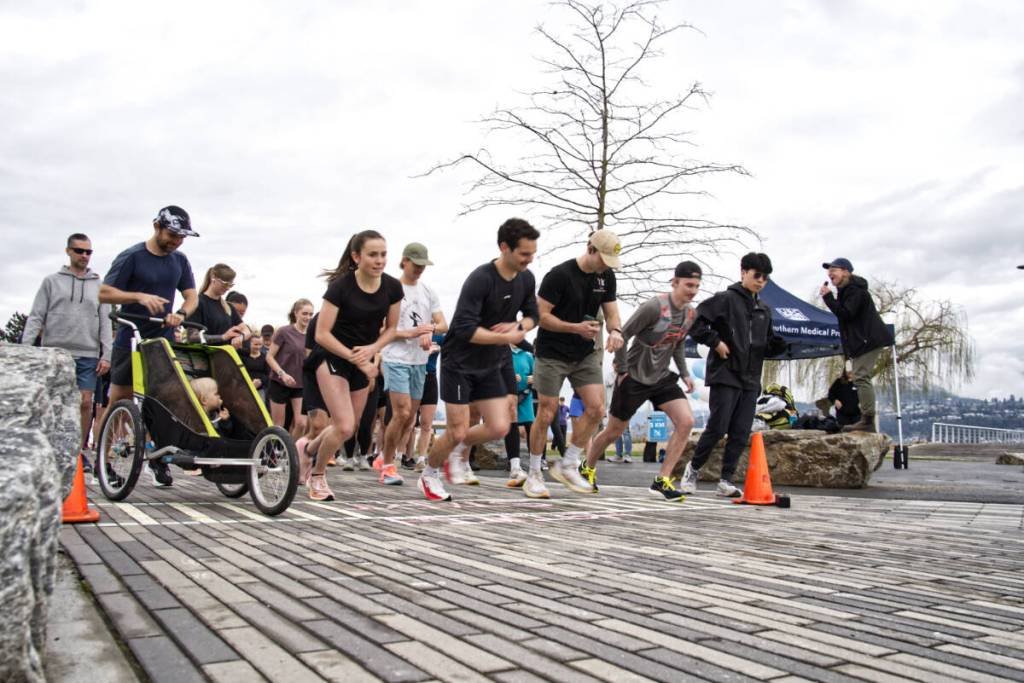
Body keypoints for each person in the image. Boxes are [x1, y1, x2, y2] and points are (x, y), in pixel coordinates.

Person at [418, 218, 539, 502]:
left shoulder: (526, 278)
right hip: (459, 362)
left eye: (533, 253)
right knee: (457, 428)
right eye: (524, 253)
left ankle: (458, 449)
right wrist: (504, 337)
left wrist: (518, 329)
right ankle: (429, 475)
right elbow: (465, 329)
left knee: (500, 426)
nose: (529, 259)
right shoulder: (481, 279)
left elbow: (534, 313)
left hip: (491, 362)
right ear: (504, 248)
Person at [583, 261, 703, 500]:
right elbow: (622, 334)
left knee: (686, 421)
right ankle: (586, 468)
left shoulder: (691, 314)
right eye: (689, 285)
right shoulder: (654, 307)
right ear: (675, 282)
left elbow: (677, 345)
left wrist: (685, 373)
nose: (692, 290)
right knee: (613, 431)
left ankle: (662, 480)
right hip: (634, 377)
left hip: (662, 378)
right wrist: (623, 369)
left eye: (697, 286)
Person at [99, 206, 199, 488]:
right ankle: (104, 458)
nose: (176, 242)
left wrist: (180, 314)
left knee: (162, 402)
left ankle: (159, 457)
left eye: (181, 237)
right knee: (120, 399)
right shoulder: (132, 256)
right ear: (157, 227)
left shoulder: (180, 260)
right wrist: (138, 297)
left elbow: (192, 296)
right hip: (130, 336)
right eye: (172, 235)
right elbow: (105, 293)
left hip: (161, 341)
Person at [524, 230, 624, 497]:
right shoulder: (560, 275)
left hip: (585, 353)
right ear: (590, 249)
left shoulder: (606, 277)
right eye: (603, 259)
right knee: (546, 412)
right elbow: (540, 317)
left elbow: (612, 312)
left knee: (596, 408)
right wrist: (574, 328)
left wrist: (616, 331)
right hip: (552, 352)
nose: (605, 267)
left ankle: (568, 464)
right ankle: (533, 473)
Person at [682, 253, 787, 497]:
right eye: (756, 275)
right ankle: (693, 469)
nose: (761, 281)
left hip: (751, 378)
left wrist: (776, 346)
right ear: (743, 273)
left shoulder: (764, 310)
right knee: (718, 427)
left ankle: (725, 480)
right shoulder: (725, 299)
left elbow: (765, 344)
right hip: (726, 373)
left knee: (740, 431)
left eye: (765, 278)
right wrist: (715, 342)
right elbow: (695, 323)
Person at [308, 230, 403, 501]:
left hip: (363, 361)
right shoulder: (340, 287)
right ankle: (316, 476)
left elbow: (392, 328)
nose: (379, 260)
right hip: (333, 356)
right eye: (373, 254)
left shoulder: (392, 287)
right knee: (346, 426)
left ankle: (306, 449)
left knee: (346, 423)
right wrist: (355, 358)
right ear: (356, 256)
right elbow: (321, 334)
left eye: (383, 254)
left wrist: (373, 350)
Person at [23, 233, 114, 467]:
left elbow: (106, 321)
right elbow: (36, 316)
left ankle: (75, 450)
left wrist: (107, 354)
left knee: (85, 403)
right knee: (53, 402)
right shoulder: (51, 282)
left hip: (88, 353)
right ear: (68, 252)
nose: (84, 255)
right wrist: (26, 349)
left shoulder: (99, 285)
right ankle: (50, 448)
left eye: (88, 252)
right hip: (55, 352)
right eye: (79, 251)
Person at [378, 243, 447, 486]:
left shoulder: (428, 291)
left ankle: (384, 457)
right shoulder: (390, 289)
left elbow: (443, 323)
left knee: (410, 419)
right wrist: (410, 333)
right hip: (395, 357)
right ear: (404, 261)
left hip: (420, 361)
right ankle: (387, 464)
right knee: (402, 412)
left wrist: (429, 331)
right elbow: (381, 329)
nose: (419, 270)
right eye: (416, 265)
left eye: (423, 266)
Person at [819, 257, 893, 432]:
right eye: (828, 271)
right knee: (860, 376)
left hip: (869, 340)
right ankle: (867, 420)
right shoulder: (846, 291)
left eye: (834, 270)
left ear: (846, 271)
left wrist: (828, 298)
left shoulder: (855, 291)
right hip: (861, 342)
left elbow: (846, 314)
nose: (830, 273)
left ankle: (867, 420)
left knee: (860, 376)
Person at [265, 299, 313, 440]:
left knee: (301, 423)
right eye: (305, 313)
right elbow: (269, 356)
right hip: (280, 382)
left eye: (311, 314)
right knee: (279, 425)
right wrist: (282, 374)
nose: (308, 317)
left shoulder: (312, 335)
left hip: (300, 384)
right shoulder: (284, 332)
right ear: (296, 313)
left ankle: (290, 452)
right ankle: (276, 450)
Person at [186, 264, 251, 347]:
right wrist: (223, 337)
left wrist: (241, 337)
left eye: (230, 285)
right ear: (213, 278)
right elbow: (192, 337)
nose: (227, 288)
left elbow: (247, 330)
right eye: (224, 284)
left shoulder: (228, 307)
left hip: (225, 355)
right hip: (203, 355)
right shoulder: (197, 303)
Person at [504, 341, 535, 485]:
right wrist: (508, 378)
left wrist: (533, 379)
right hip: (508, 396)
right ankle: (513, 463)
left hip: (525, 396)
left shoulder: (528, 355)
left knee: (531, 427)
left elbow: (536, 374)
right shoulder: (504, 352)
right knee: (511, 426)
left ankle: (535, 462)